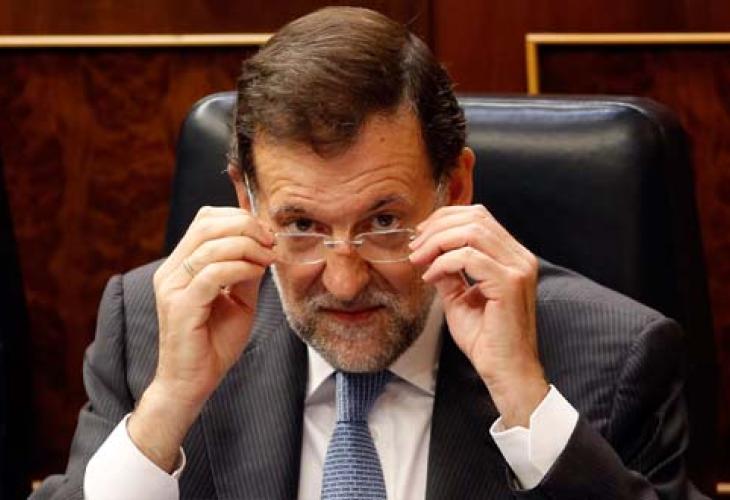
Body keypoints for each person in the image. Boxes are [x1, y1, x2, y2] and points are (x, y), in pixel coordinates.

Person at [32, 7, 706, 500]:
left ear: (455, 189)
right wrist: (165, 413)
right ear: (246, 200)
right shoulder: (148, 330)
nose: (345, 279)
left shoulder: (614, 358)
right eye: (301, 224)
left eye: (384, 222)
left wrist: (528, 406)